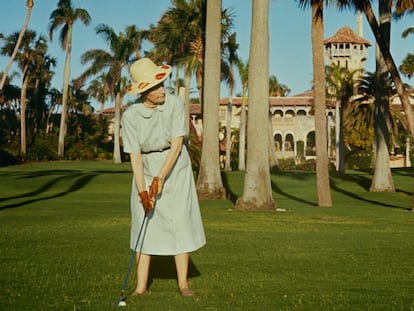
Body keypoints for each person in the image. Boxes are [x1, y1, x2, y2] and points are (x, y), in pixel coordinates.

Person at [121, 58, 206, 297]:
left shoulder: (175, 103)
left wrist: (158, 181)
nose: (161, 90)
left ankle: (183, 284)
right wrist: (143, 192)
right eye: (155, 87)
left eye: (162, 84)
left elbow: (177, 146)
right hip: (146, 167)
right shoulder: (131, 117)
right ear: (143, 92)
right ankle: (140, 287)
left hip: (175, 168)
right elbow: (136, 159)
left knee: (179, 222)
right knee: (143, 222)